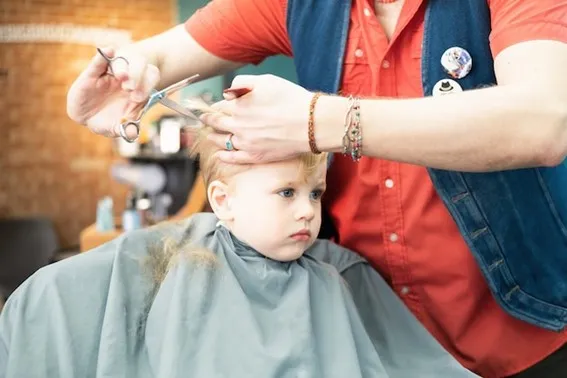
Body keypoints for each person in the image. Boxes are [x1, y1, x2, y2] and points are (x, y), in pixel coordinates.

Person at [65, 0, 567, 377]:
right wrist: (126, 73)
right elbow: (159, 54)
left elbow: (544, 122)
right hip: (369, 341)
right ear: (222, 201)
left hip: (525, 334)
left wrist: (319, 121)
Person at [0, 125, 479, 377]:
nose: (307, 212)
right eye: (286, 193)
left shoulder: (338, 275)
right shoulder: (182, 260)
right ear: (223, 202)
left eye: (315, 194)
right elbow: (55, 295)